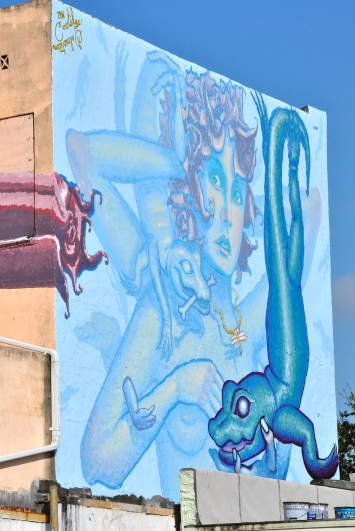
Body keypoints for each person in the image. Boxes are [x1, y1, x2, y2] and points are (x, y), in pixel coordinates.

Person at [66, 52, 271, 497]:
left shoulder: (249, 318)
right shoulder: (165, 315)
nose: (226, 213)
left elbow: (308, 215)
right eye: (212, 183)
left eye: (237, 192)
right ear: (190, 195)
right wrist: (176, 387)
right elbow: (97, 462)